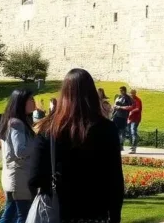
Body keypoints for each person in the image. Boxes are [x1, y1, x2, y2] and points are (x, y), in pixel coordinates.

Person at [30, 68, 123, 223]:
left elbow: (34, 178)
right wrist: (115, 216)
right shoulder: (106, 128)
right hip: (95, 211)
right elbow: (115, 179)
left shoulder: (49, 129)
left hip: (59, 211)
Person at [0, 89, 38, 223]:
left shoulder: (13, 121)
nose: (34, 102)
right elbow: (20, 151)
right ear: (21, 102)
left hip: (13, 176)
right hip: (19, 177)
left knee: (10, 213)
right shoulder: (17, 123)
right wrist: (38, 143)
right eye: (30, 99)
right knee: (22, 216)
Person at [112, 86, 134, 151]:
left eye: (122, 90)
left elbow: (130, 107)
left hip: (123, 117)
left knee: (122, 131)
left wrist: (120, 107)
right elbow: (115, 105)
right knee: (116, 131)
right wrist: (114, 107)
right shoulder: (118, 97)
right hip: (116, 116)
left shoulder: (128, 98)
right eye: (120, 90)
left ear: (125, 90)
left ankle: (121, 145)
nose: (120, 92)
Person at [127, 88, 143, 154]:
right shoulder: (129, 100)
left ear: (135, 93)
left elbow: (138, 108)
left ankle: (133, 148)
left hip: (136, 118)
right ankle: (132, 145)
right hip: (129, 118)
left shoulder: (138, 100)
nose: (132, 95)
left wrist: (132, 111)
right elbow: (128, 107)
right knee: (129, 132)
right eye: (131, 93)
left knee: (133, 131)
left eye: (133, 93)